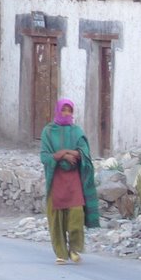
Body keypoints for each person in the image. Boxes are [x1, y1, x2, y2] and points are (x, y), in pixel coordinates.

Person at [39, 98, 100, 264]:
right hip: (56, 179)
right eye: (63, 110)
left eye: (69, 110)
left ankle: (74, 250)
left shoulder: (77, 132)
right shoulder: (48, 132)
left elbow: (85, 153)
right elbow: (44, 156)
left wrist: (74, 154)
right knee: (56, 219)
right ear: (58, 111)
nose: (66, 113)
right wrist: (63, 153)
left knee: (76, 215)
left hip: (73, 180)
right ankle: (61, 253)